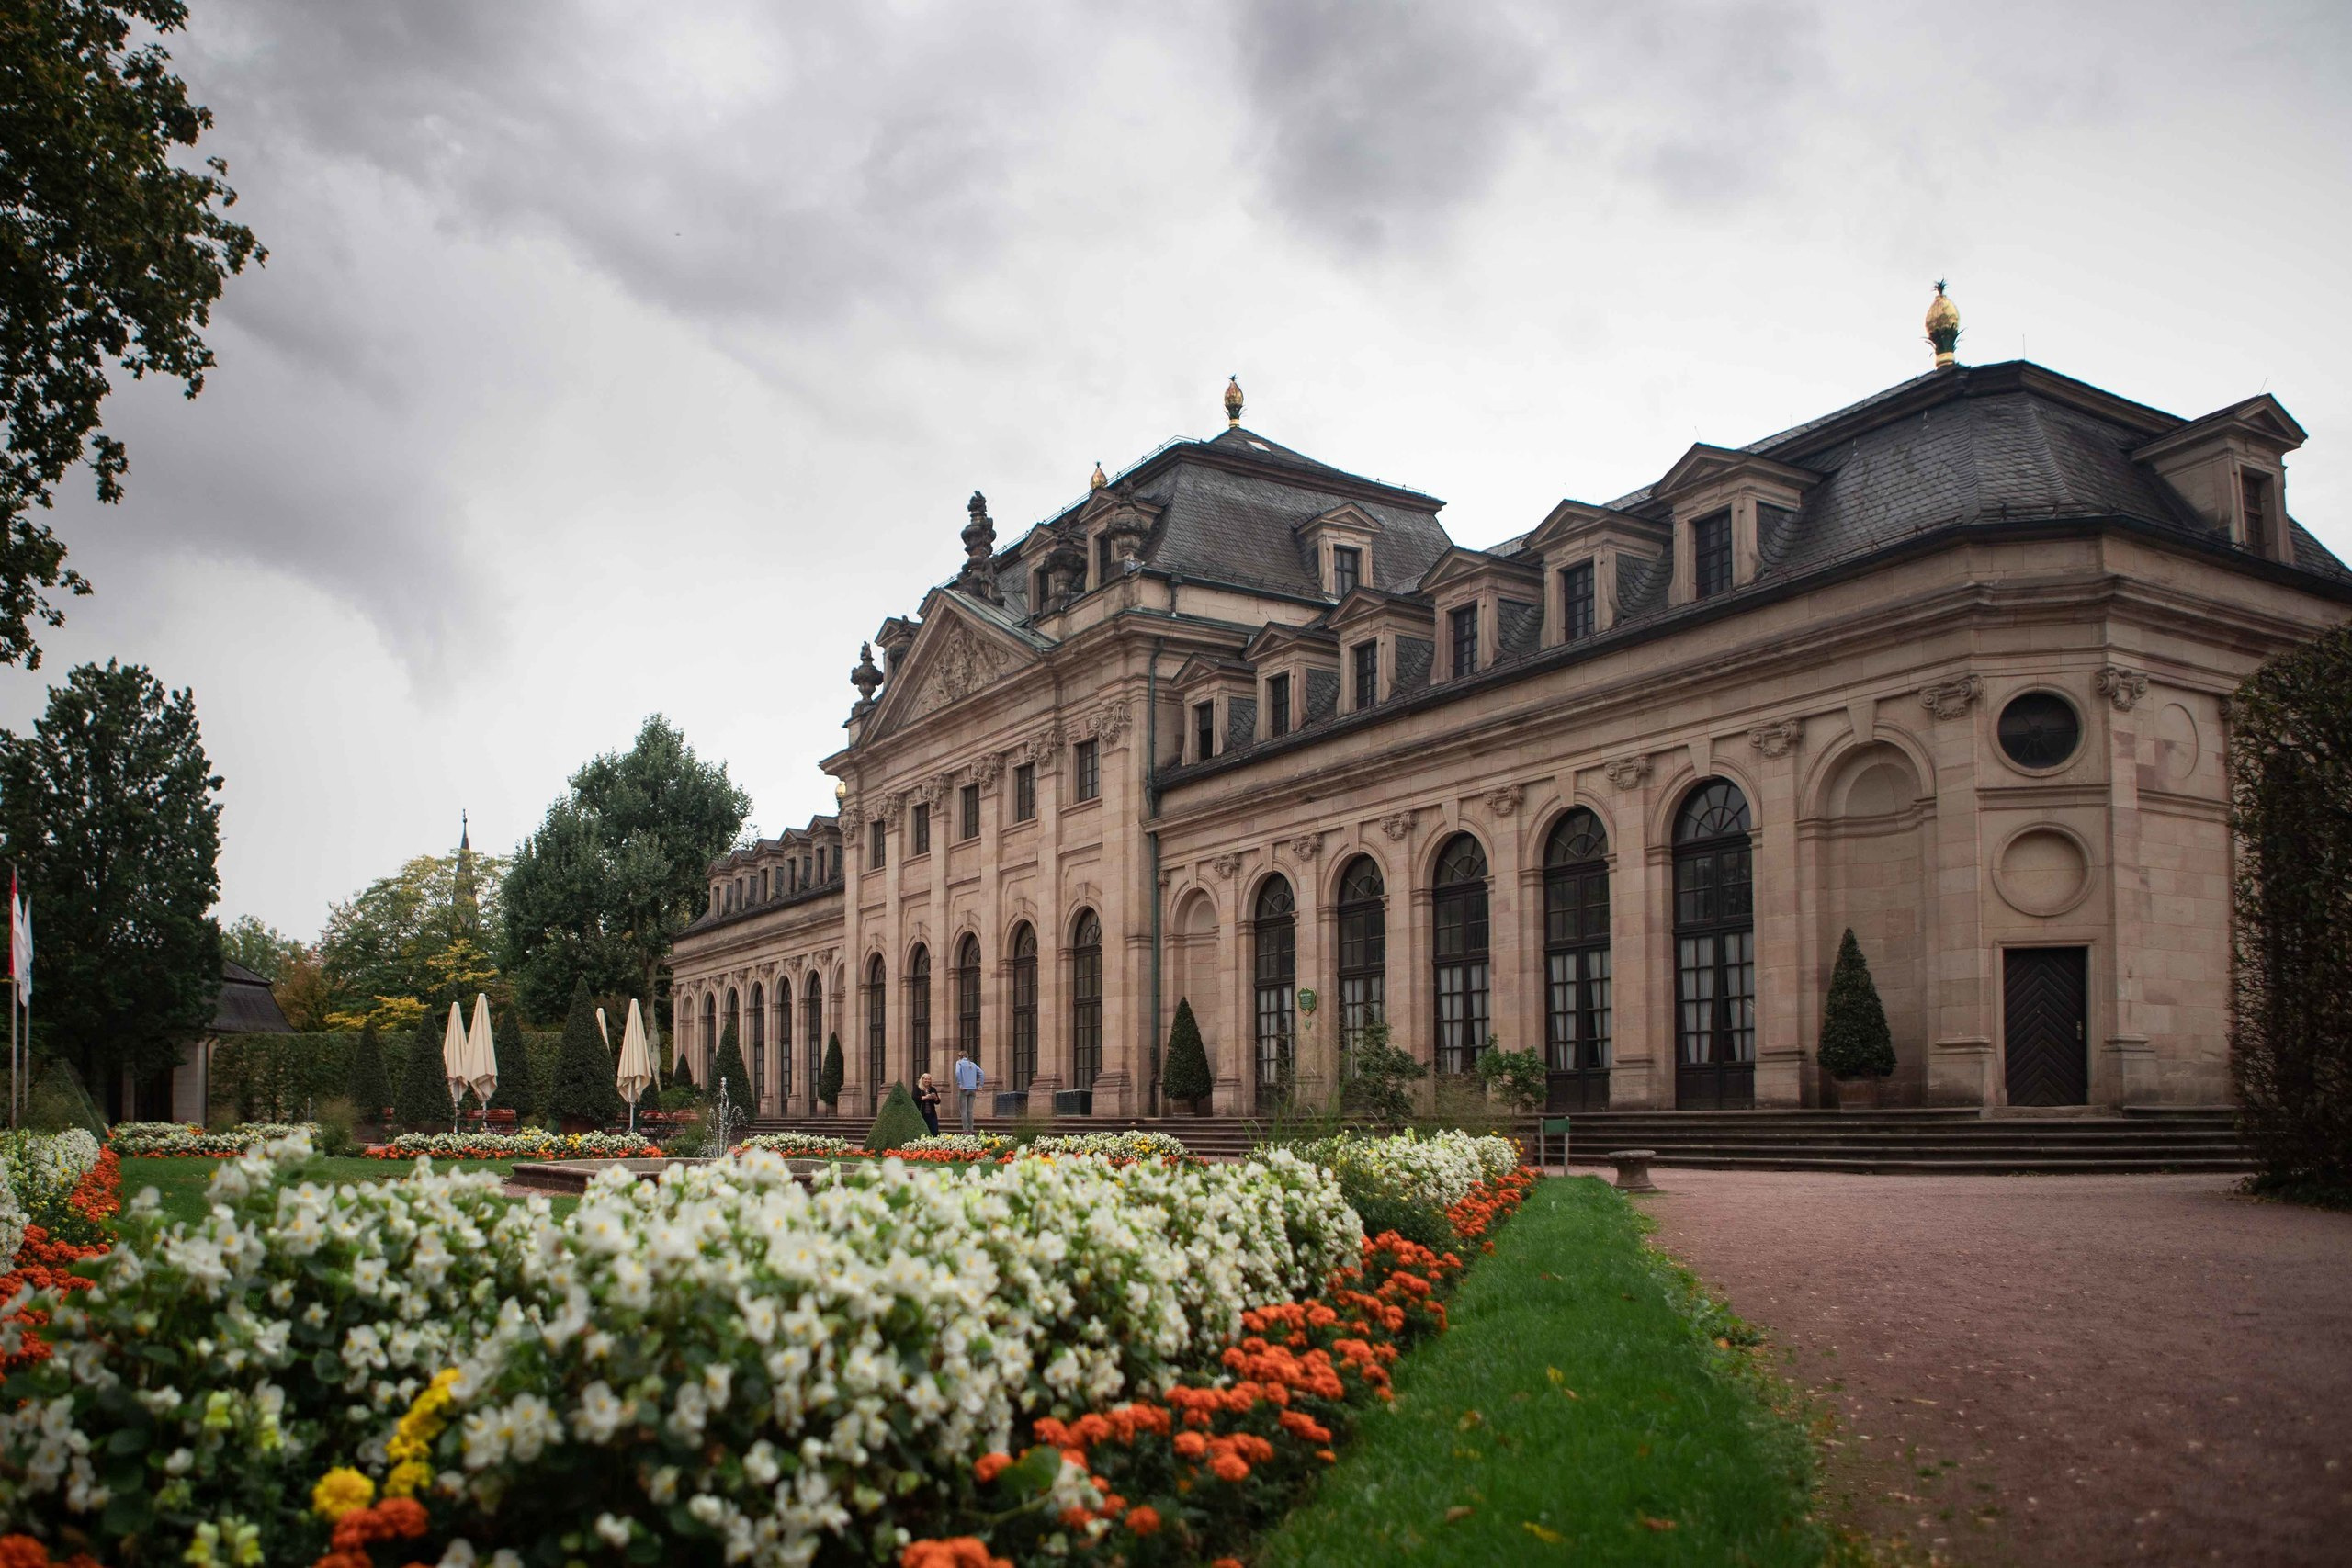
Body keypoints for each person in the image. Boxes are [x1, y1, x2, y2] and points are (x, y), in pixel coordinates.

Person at [953, 1048, 985, 1134]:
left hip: (964, 1089)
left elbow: (957, 1073)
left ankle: (965, 1130)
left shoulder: (959, 1063)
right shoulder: (973, 1064)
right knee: (970, 1111)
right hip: (973, 1089)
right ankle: (971, 1129)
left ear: (960, 1056)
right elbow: (982, 1073)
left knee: (963, 1111)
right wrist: (980, 1085)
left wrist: (960, 1084)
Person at [915, 1071, 943, 1135]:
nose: (927, 1081)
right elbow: (915, 1098)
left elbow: (938, 1102)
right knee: (923, 1131)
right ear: (922, 1080)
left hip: (931, 1113)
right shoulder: (917, 1088)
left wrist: (935, 1097)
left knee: (934, 1130)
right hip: (921, 1112)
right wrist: (926, 1097)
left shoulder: (932, 1089)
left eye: (929, 1079)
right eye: (926, 1079)